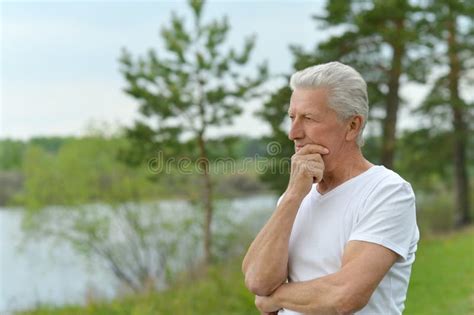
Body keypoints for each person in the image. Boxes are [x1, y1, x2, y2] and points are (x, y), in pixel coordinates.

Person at [242, 61, 419, 315]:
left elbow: (344, 295)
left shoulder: (387, 192)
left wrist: (275, 298)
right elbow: (257, 281)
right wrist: (293, 195)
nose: (293, 133)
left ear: (352, 126)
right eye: (292, 117)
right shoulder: (295, 196)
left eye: (309, 118)